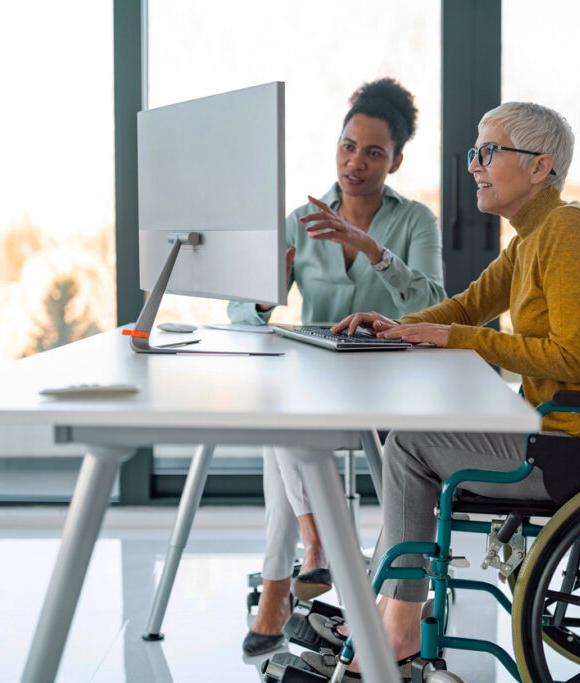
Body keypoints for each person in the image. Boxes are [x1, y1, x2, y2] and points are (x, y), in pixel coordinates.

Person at [317, 101, 580, 676]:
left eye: (489, 152)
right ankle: (386, 608)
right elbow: (468, 307)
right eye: (473, 153)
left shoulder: (569, 231)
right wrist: (400, 328)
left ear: (540, 167)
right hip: (561, 429)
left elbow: (570, 358)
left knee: (409, 445)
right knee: (409, 436)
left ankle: (400, 626)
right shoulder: (531, 238)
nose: (475, 165)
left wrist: (454, 337)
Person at [229, 78, 446, 657]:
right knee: (285, 413)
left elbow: (432, 308)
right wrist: (262, 295)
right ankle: (315, 554)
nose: (356, 161)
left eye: (374, 152)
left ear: (395, 160)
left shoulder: (415, 222)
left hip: (389, 386)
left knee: (281, 427)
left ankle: (287, 580)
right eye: (348, 145)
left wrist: (373, 250)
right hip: (313, 378)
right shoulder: (300, 218)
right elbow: (240, 312)